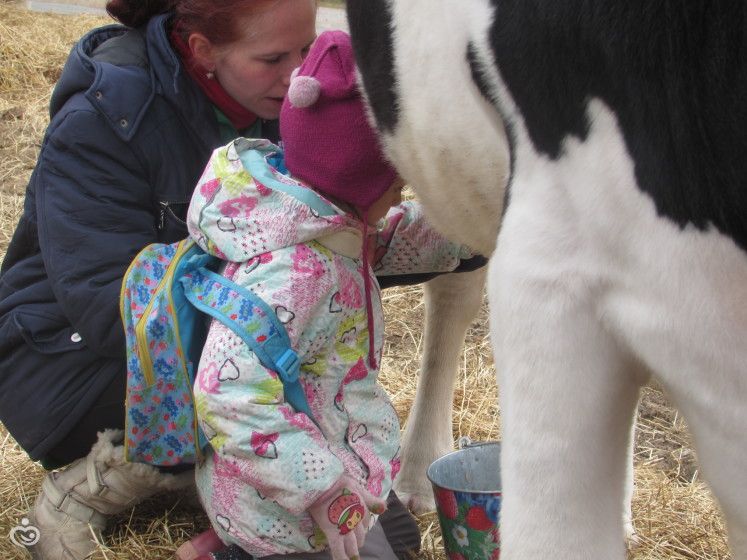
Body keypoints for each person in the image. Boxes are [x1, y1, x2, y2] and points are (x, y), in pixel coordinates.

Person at [0, 1, 318, 558]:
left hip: (188, 332)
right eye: (272, 57)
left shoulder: (270, 102)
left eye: (306, 51)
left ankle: (223, 483)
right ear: (201, 51)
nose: (297, 78)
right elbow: (109, 306)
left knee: (327, 376)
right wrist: (264, 355)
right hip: (66, 361)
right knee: (282, 396)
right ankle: (89, 488)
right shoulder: (104, 119)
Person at [180, 30, 476, 560]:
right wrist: (322, 488)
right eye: (397, 183)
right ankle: (234, 549)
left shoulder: (319, 219)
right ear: (360, 178)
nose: (401, 195)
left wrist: (473, 223)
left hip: (326, 462)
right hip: (287, 502)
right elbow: (226, 395)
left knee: (402, 540)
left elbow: (396, 236)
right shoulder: (293, 272)